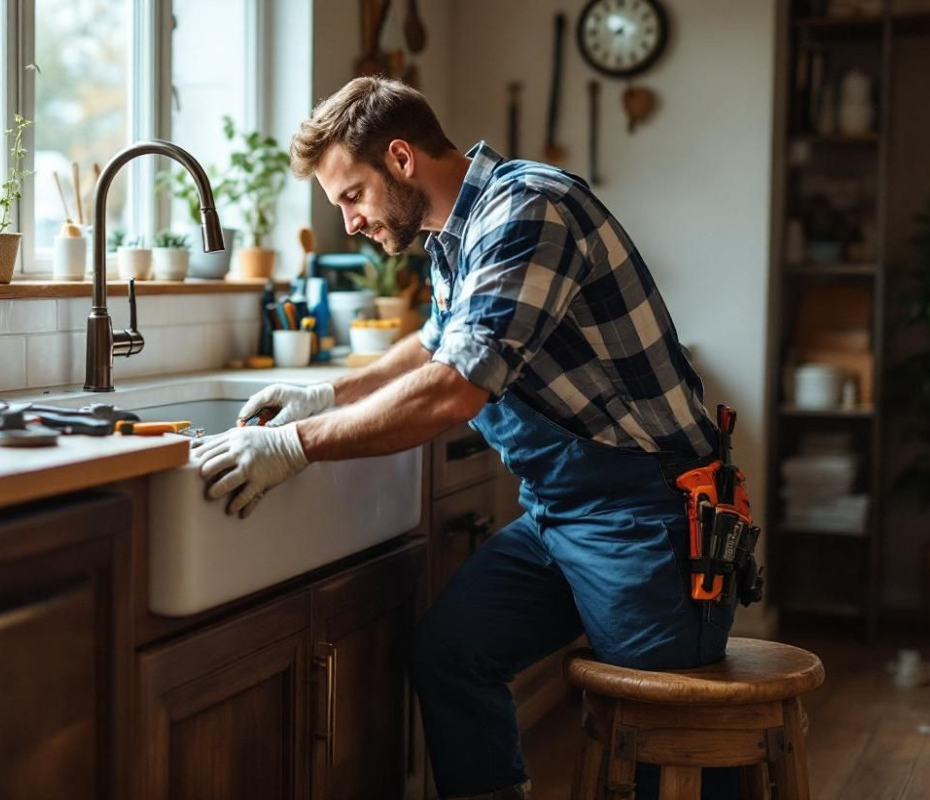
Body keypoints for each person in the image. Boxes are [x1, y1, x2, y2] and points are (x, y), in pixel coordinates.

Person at [191, 77, 740, 800]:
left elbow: (457, 386)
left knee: (663, 745)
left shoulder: (529, 209)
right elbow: (432, 347)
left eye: (352, 195)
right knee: (451, 653)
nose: (349, 222)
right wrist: (325, 392)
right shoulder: (458, 232)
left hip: (648, 518)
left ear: (400, 158)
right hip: (561, 513)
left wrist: (296, 445)